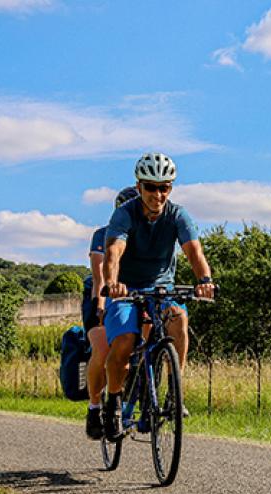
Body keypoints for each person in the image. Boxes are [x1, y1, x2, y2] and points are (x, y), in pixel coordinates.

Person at [100, 152, 215, 440]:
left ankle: (174, 393)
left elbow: (194, 251)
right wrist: (113, 283)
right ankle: (113, 403)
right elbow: (114, 251)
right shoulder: (124, 213)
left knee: (178, 317)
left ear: (171, 188)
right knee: (125, 343)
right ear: (139, 186)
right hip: (126, 290)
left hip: (161, 289)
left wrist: (205, 281)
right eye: (151, 187)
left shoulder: (178, 215)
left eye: (164, 187)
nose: (158, 194)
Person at [83, 186, 140, 440]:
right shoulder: (103, 235)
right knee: (103, 349)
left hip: (133, 295)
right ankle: (95, 406)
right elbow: (99, 275)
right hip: (101, 297)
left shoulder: (144, 235)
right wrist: (101, 307)